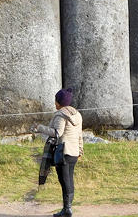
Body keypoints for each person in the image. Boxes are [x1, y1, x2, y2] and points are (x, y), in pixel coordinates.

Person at [33, 88, 83, 217]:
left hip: (63, 152)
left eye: (55, 100)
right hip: (73, 152)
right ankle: (67, 208)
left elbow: (57, 133)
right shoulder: (77, 114)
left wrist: (39, 128)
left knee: (64, 181)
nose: (54, 103)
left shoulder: (60, 115)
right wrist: (80, 150)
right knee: (69, 180)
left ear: (59, 102)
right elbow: (79, 135)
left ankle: (67, 210)